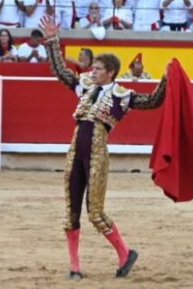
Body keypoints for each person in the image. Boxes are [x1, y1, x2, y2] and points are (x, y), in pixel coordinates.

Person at [41, 16, 167, 280]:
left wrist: (168, 78)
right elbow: (62, 73)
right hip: (76, 149)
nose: (91, 71)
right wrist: (52, 42)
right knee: (71, 209)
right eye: (93, 68)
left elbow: (154, 101)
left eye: (97, 69)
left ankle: (125, 253)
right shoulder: (85, 86)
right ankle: (74, 268)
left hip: (97, 151)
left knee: (95, 213)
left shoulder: (124, 95)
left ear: (110, 72)